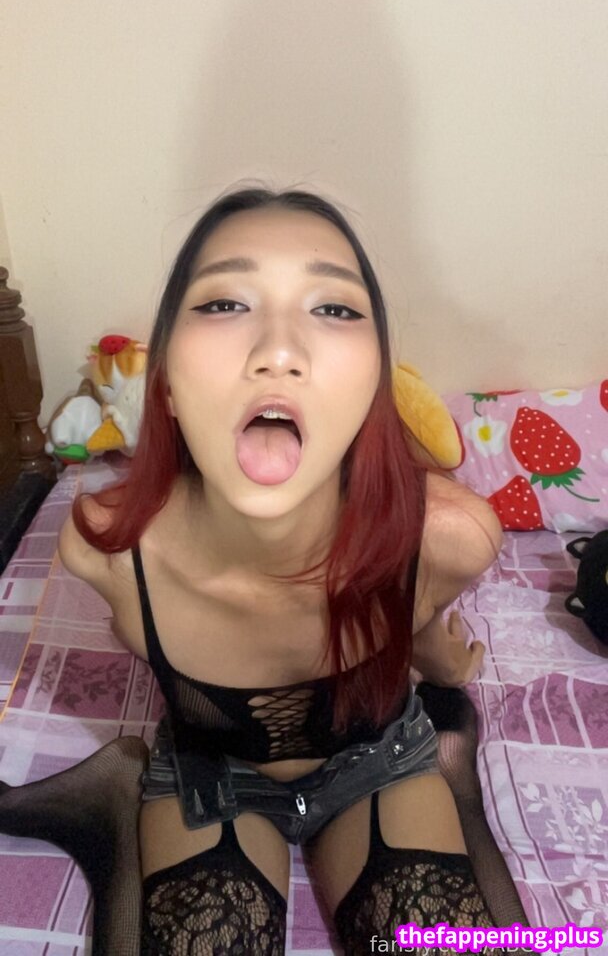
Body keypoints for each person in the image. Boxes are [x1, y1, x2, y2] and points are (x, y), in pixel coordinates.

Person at [0, 187, 528, 955]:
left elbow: (411, 616)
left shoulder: (449, 537)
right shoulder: (108, 550)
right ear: (166, 385)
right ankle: (115, 794)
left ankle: (450, 766)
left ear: (374, 386)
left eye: (334, 308)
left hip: (379, 763)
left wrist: (444, 667)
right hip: (211, 777)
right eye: (224, 304)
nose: (279, 350)